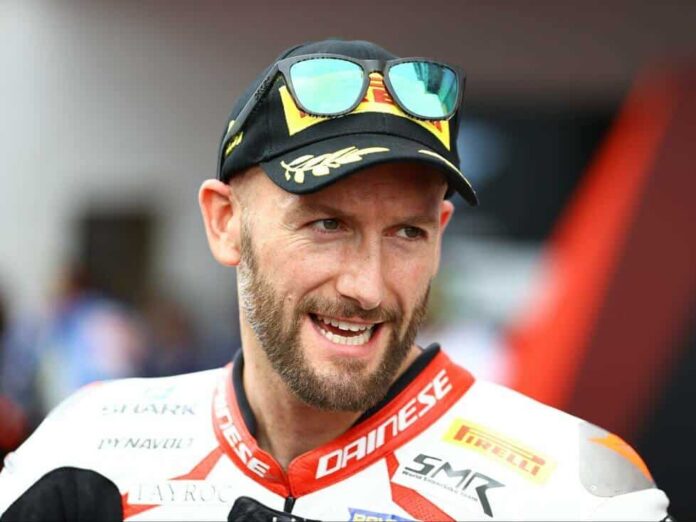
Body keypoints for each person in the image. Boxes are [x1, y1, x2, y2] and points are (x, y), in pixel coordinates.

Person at [0, 39, 671, 522]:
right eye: (327, 224)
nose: (369, 287)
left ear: (441, 232)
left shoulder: (574, 488)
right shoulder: (89, 447)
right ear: (226, 223)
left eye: (407, 232)